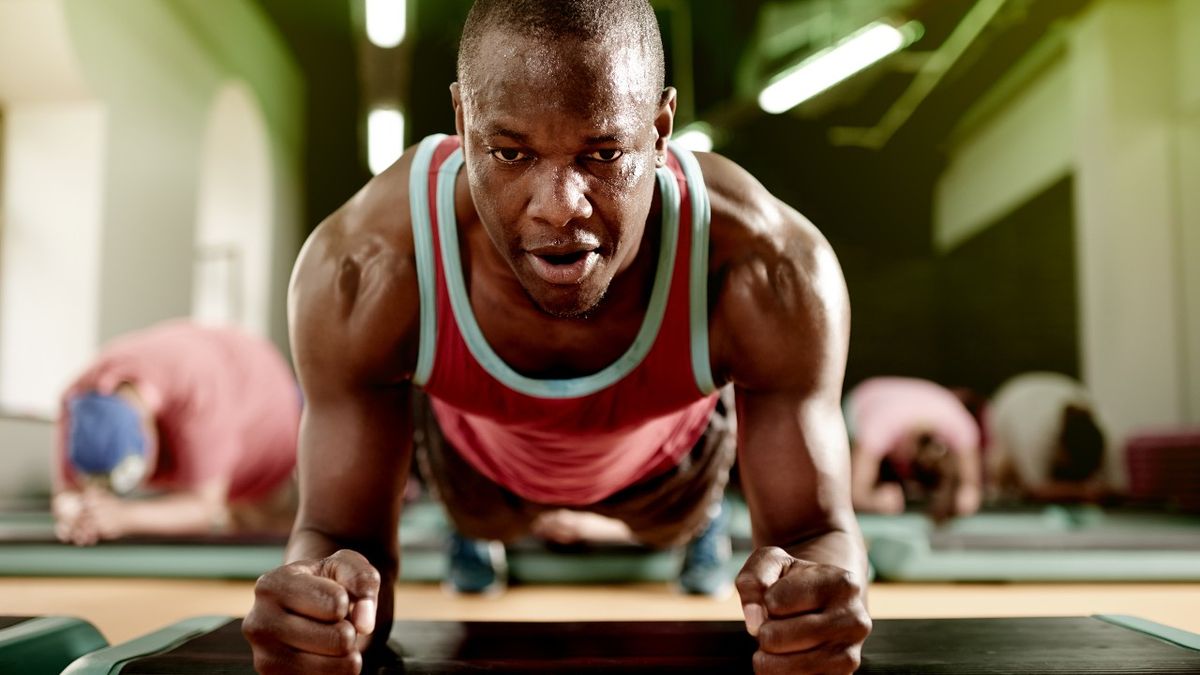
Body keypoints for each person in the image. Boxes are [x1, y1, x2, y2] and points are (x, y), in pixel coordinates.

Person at [242, 1, 871, 673]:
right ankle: (479, 537)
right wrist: (329, 606)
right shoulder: (365, 267)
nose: (559, 205)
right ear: (461, 123)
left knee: (685, 522)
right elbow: (339, 536)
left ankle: (703, 528)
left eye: (603, 153)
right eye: (510, 152)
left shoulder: (766, 266)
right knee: (468, 517)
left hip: (667, 477)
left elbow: (817, 531)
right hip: (475, 473)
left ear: (660, 131)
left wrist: (816, 603)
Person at [52, 320, 301, 545]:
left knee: (264, 526)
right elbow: (67, 492)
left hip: (266, 409)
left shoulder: (197, 391)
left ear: (146, 431)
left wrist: (123, 517)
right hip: (208, 391)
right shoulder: (76, 399)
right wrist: (76, 511)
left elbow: (204, 508)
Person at [844, 376, 983, 522]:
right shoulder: (880, 426)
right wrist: (874, 501)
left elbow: (971, 486)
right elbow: (855, 492)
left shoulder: (961, 426)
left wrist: (966, 496)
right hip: (862, 399)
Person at [986, 372, 1108, 502]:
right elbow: (1035, 488)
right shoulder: (1033, 436)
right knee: (1005, 474)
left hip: (1053, 392)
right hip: (1011, 400)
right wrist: (1084, 492)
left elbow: (1111, 485)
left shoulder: (1103, 428)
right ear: (1061, 451)